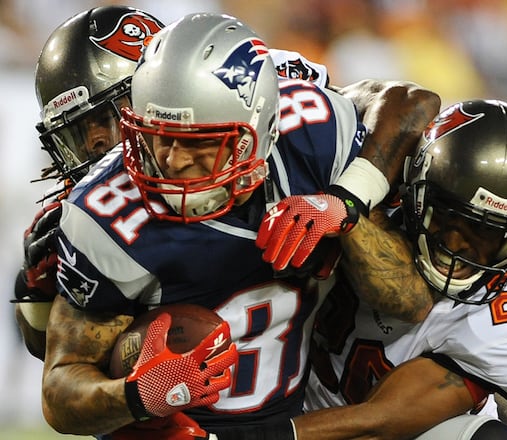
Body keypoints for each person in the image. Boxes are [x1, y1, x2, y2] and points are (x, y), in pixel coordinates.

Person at [42, 12, 439, 439]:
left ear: (258, 133)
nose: (172, 159)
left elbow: (410, 301)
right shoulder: (106, 215)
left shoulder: (313, 137)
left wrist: (345, 213)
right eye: (159, 136)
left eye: (197, 141)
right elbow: (60, 389)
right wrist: (139, 395)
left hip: (296, 419)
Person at [260, 100, 507, 439]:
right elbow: (408, 101)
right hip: (293, 396)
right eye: (448, 218)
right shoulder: (379, 174)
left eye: (488, 233)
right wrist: (351, 196)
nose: (458, 246)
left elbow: (378, 424)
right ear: (414, 191)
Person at [13, 5, 165, 362]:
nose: (94, 140)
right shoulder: (83, 216)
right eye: (77, 131)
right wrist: (37, 290)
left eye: (104, 116)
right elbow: (48, 352)